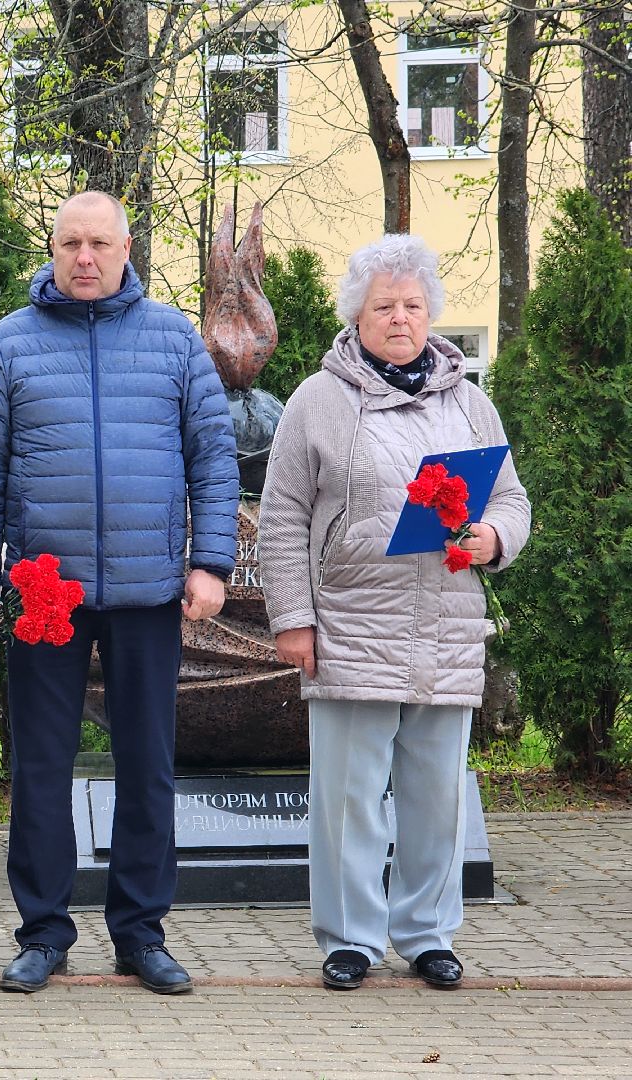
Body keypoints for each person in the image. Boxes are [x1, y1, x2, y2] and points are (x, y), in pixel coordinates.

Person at [0, 191, 240, 995]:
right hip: (47, 595)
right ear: (52, 249)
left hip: (150, 590)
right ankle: (44, 933)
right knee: (41, 767)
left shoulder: (173, 340)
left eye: (101, 244)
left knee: (147, 766)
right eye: (71, 243)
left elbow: (214, 459)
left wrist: (210, 564)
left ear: (126, 249)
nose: (86, 258)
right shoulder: (11, 344)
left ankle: (141, 934)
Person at [259, 234, 531, 991]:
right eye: (384, 306)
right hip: (350, 620)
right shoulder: (318, 400)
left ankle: (428, 933)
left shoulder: (470, 402)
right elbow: (281, 515)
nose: (400, 318)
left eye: (413, 305)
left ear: (431, 313)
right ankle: (349, 938)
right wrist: (293, 617)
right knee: (347, 794)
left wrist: (493, 536)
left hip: (445, 623)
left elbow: (511, 498)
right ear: (357, 314)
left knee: (436, 792)